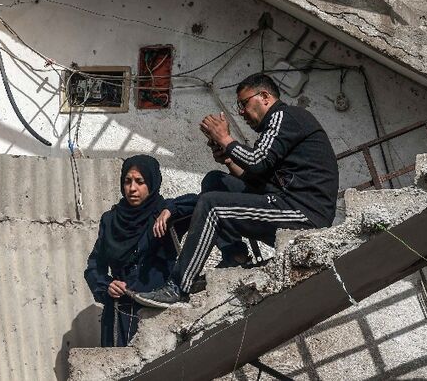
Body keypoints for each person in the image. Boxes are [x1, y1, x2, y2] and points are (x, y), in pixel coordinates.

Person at [130, 73, 339, 308]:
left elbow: (257, 161)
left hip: (304, 213)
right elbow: (256, 177)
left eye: (244, 103)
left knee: (212, 205)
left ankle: (178, 287)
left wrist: (226, 139)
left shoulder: (284, 116)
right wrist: (227, 159)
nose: (241, 112)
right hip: (282, 200)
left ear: (265, 97)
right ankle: (235, 256)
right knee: (215, 181)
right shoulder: (274, 128)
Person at [84, 155, 196, 346]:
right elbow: (94, 267)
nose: (132, 188)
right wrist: (106, 286)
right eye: (127, 181)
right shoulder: (111, 220)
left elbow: (201, 202)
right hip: (119, 313)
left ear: (152, 183)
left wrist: (171, 209)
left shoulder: (163, 214)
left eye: (140, 182)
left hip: (156, 312)